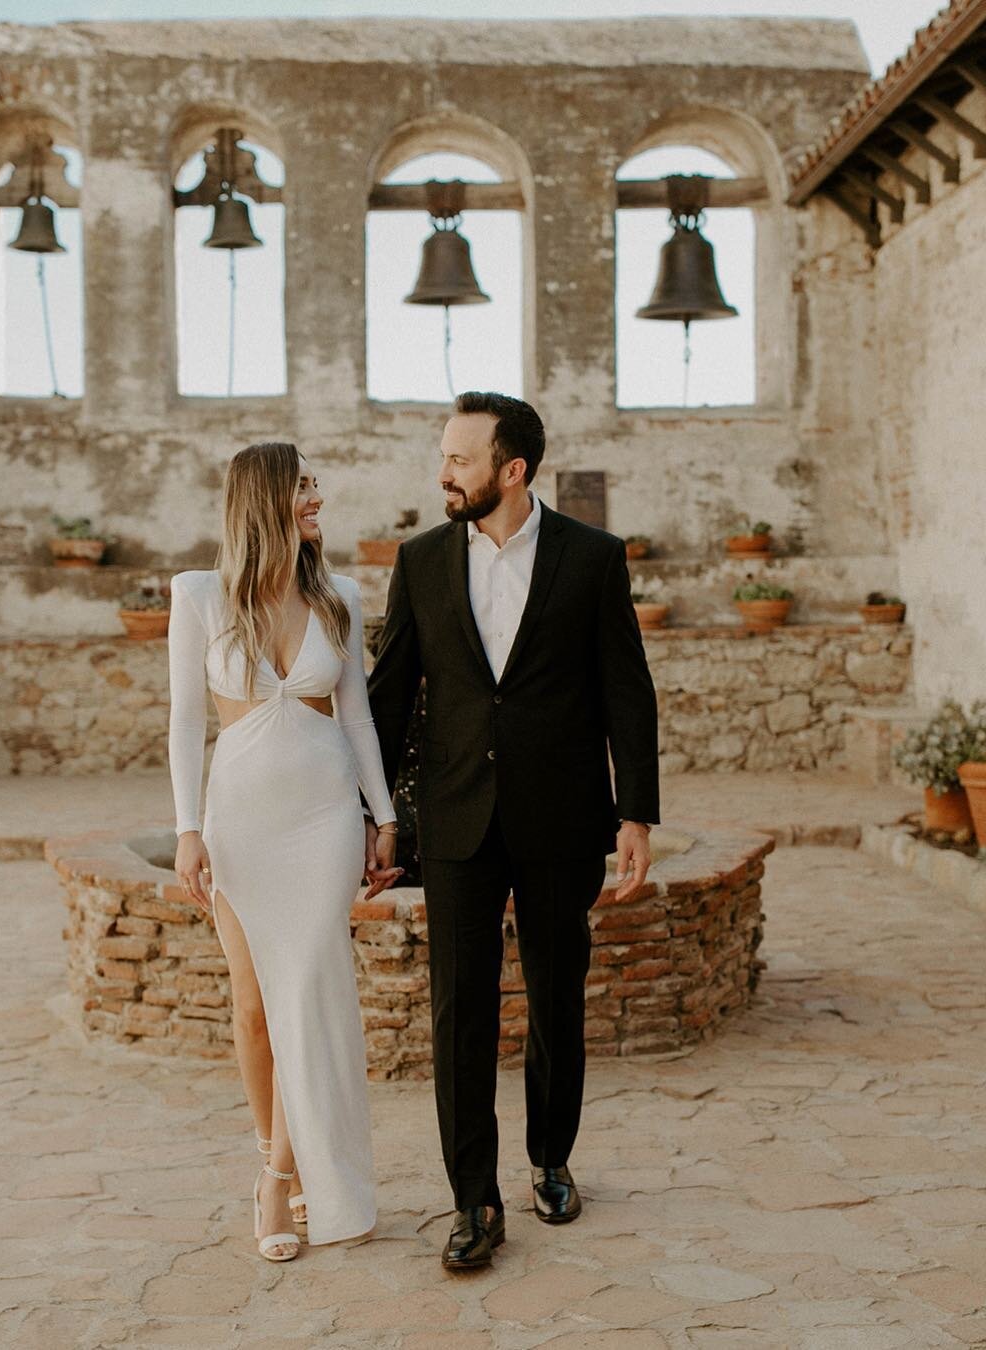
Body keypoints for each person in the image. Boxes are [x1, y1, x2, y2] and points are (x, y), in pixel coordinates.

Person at [366, 391, 660, 1270]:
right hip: (455, 819)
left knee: (556, 995)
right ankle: (473, 1199)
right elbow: (388, 696)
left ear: (513, 469)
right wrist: (378, 815)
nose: (444, 471)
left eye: (460, 458)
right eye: (446, 456)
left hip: (561, 817)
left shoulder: (593, 558)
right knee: (460, 1012)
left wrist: (635, 810)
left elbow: (625, 688)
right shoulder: (420, 562)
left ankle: (551, 1157)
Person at [167, 441, 402, 1263]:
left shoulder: (339, 595)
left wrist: (384, 817)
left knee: (310, 995)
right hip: (239, 819)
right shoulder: (197, 596)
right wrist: (186, 830)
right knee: (255, 1007)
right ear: (264, 497)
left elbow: (360, 718)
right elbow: (182, 721)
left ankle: (282, 1178)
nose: (317, 498)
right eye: (303, 486)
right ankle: (276, 1158)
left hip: (322, 818)